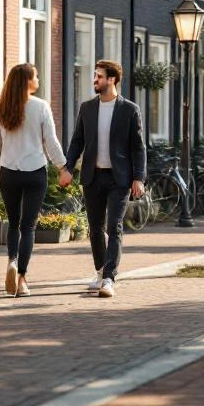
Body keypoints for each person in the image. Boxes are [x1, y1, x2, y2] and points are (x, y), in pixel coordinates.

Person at [59, 60, 146, 298]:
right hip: (92, 176)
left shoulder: (129, 110)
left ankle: (109, 278)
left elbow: (138, 147)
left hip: (119, 178)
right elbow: (77, 141)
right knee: (95, 228)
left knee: (114, 226)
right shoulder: (87, 108)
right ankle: (100, 272)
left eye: (99, 76)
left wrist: (139, 177)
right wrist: (68, 167)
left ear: (112, 79)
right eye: (95, 75)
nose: (95, 80)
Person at [0, 63, 66, 298]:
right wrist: (63, 167)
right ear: (27, 81)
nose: (38, 80)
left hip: (8, 172)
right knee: (28, 226)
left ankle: (12, 260)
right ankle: (21, 279)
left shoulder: (1, 108)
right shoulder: (40, 107)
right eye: (36, 76)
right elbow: (50, 141)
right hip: (35, 172)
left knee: (13, 223)